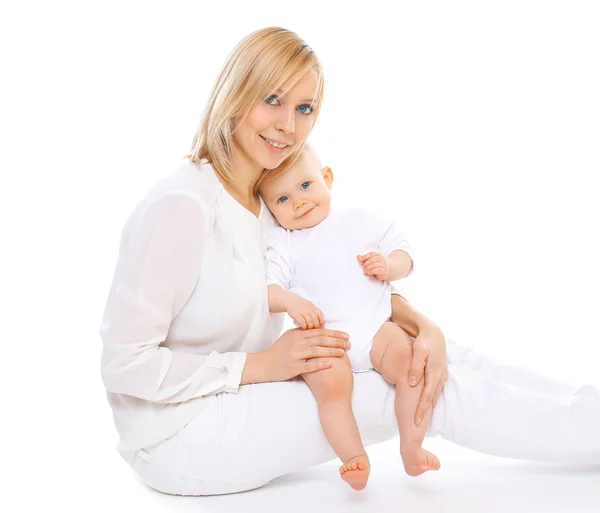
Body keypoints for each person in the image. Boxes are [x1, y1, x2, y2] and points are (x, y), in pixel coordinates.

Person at [99, 27, 600, 496]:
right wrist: (259, 365)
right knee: (407, 384)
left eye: (305, 107)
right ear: (235, 94)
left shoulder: (266, 197)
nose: (287, 126)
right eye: (271, 99)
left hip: (240, 391)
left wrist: (422, 326)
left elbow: (335, 282)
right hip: (177, 433)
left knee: (426, 355)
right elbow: (125, 366)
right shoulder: (183, 207)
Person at [259, 145, 440, 489]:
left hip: (376, 328)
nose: (297, 201)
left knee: (410, 368)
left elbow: (403, 248)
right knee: (332, 389)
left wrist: (390, 266)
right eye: (281, 200)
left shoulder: (359, 219)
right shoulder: (284, 243)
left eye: (305, 186)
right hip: (327, 340)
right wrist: (291, 302)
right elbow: (268, 290)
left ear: (326, 178)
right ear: (269, 210)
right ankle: (354, 458)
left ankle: (412, 448)